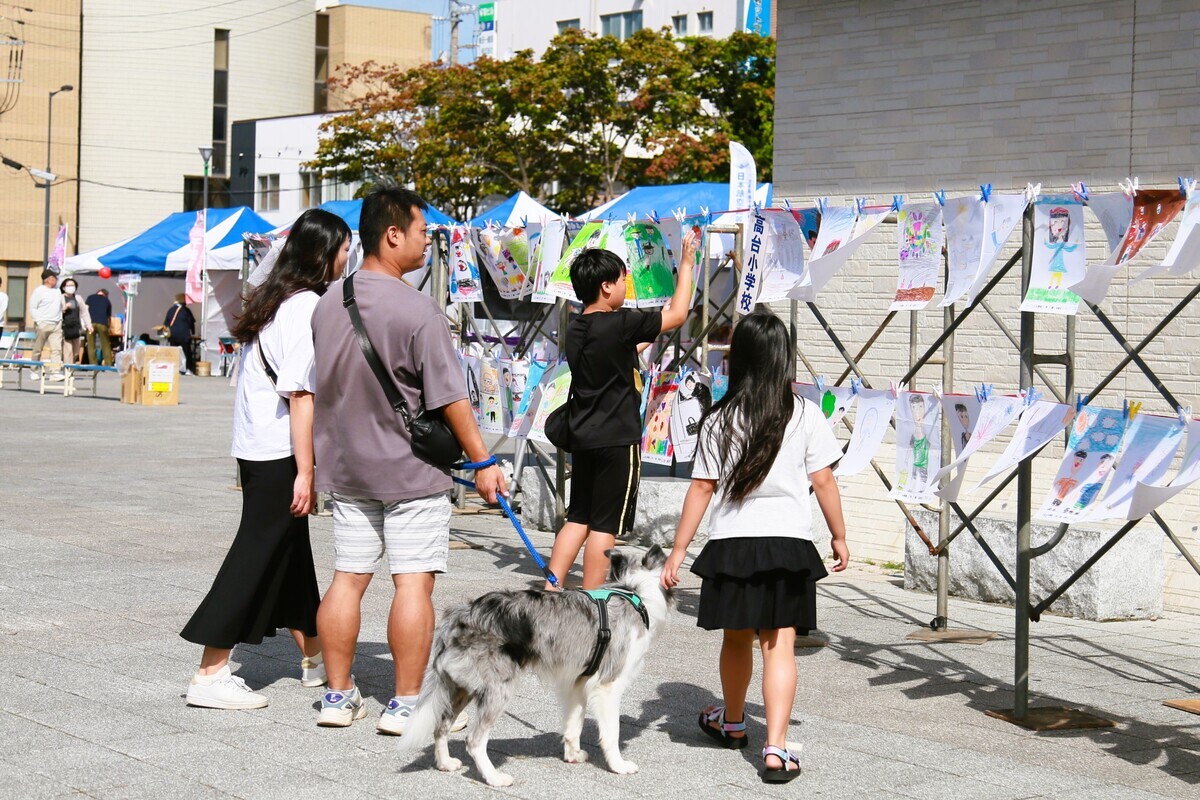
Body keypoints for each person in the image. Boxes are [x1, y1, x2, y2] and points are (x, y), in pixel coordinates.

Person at [310, 184, 506, 733]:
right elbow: (450, 399)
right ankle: (404, 702)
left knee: (347, 577)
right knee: (412, 584)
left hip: (346, 469)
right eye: (422, 232)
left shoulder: (329, 302)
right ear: (392, 234)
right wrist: (484, 462)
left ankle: (337, 694)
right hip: (410, 473)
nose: (427, 243)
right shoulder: (419, 311)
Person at [660, 310, 850, 784]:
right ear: (784, 358)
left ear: (738, 360)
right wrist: (839, 535)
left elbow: (701, 489)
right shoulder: (804, 412)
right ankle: (777, 749)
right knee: (779, 644)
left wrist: (679, 550)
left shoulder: (718, 419)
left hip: (733, 545)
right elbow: (823, 479)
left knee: (736, 638)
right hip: (788, 544)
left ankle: (733, 722)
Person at [180, 209, 352, 709]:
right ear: (324, 254)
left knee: (291, 556)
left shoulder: (278, 300)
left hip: (257, 445)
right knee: (255, 554)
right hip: (280, 451)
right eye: (343, 248)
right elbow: (300, 395)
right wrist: (307, 471)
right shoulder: (303, 308)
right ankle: (211, 671)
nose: (347, 257)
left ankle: (315, 656)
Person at [542, 229, 699, 590]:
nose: (627, 289)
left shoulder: (578, 327)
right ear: (606, 286)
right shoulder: (622, 323)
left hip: (583, 435)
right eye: (623, 282)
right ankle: (593, 597)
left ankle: (552, 588)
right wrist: (687, 264)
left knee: (577, 517)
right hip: (617, 438)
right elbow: (676, 314)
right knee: (603, 525)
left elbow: (621, 350)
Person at [29, 269, 65, 381]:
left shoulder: (57, 291)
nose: (56, 280)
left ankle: (55, 371)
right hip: (43, 323)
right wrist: (39, 322)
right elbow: (33, 307)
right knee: (38, 348)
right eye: (54, 278)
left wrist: (60, 319)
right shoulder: (39, 291)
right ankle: (34, 370)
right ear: (48, 280)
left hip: (56, 324)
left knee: (56, 349)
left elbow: (60, 306)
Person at [59, 277, 90, 365]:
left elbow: (84, 312)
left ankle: (71, 367)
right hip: (65, 327)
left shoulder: (78, 298)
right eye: (68, 285)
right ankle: (67, 371)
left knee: (76, 351)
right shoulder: (60, 298)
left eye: (72, 285)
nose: (70, 287)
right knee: (68, 350)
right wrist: (64, 307)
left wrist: (89, 325)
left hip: (76, 327)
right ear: (64, 287)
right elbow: (57, 311)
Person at [164, 293, 197, 374]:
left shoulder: (170, 310)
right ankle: (188, 369)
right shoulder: (186, 310)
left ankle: (174, 368)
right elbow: (191, 322)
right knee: (187, 352)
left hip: (173, 335)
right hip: (184, 335)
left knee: (174, 352)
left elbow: (166, 323)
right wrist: (193, 332)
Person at [85, 287, 114, 366]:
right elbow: (109, 317)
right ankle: (108, 364)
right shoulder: (107, 301)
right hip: (102, 324)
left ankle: (93, 364)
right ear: (106, 295)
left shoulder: (90, 297)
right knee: (105, 344)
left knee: (91, 344)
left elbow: (85, 309)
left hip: (91, 324)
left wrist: (86, 323)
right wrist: (109, 328)